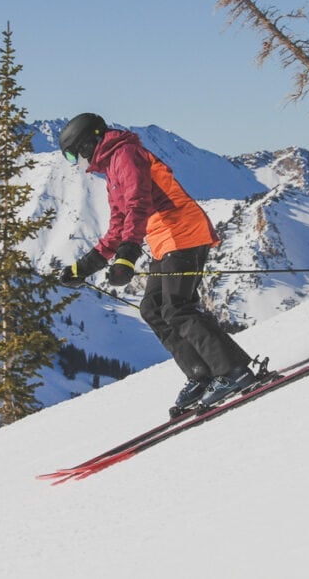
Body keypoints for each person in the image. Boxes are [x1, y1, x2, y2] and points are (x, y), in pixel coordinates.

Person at [57, 112, 257, 413]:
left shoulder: (125, 154)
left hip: (183, 231)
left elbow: (139, 204)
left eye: (75, 156)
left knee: (177, 307)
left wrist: (128, 256)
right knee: (153, 309)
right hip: (166, 239)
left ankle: (233, 371)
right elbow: (118, 225)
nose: (78, 164)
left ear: (88, 144)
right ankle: (201, 374)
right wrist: (83, 267)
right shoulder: (112, 170)